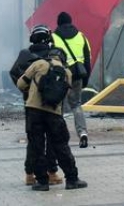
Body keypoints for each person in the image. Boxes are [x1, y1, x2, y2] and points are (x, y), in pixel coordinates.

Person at [17, 46, 87, 191]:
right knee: (61, 146)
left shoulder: (38, 64)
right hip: (54, 113)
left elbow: (20, 84)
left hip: (34, 111)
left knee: (36, 146)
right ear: (63, 58)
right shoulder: (67, 72)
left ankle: (42, 182)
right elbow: (65, 95)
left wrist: (33, 90)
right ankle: (72, 180)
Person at [9, 24, 63, 186]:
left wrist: (28, 90)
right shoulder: (54, 54)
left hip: (31, 104)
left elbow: (14, 74)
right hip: (52, 105)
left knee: (34, 140)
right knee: (52, 139)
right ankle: (52, 172)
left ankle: (30, 174)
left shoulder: (25, 55)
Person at [52, 11, 91, 148]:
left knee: (58, 106)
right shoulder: (81, 36)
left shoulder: (53, 37)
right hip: (78, 75)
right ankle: (83, 133)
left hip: (61, 76)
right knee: (76, 104)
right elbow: (87, 60)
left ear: (58, 23)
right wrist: (85, 79)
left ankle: (59, 135)